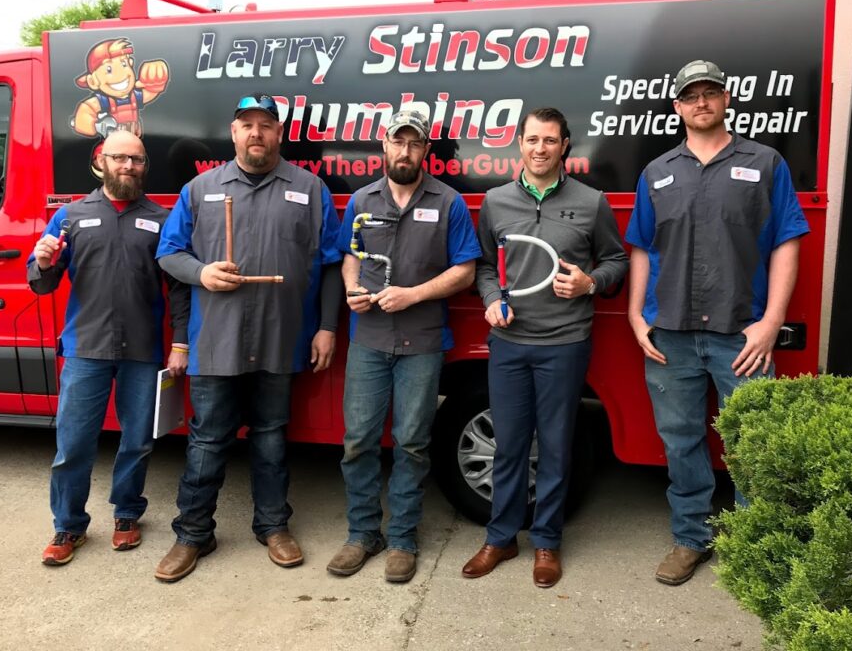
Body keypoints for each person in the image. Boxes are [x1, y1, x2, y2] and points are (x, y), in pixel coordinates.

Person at [625, 60, 809, 586]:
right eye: (691, 96)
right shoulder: (656, 172)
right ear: (678, 107)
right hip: (671, 336)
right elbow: (640, 247)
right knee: (680, 439)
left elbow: (786, 243)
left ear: (726, 100)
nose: (701, 102)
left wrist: (772, 321)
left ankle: (755, 542)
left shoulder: (765, 163)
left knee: (752, 439)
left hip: (741, 332)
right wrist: (638, 317)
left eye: (711, 93)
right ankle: (691, 539)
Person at [153, 92, 342, 583]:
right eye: (247, 125)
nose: (256, 133)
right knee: (208, 441)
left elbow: (330, 265)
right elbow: (168, 253)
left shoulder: (311, 189)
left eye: (266, 124)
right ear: (233, 133)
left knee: (272, 438)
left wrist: (326, 327)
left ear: (280, 133)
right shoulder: (199, 189)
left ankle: (273, 527)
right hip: (217, 342)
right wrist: (202, 273)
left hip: (282, 339)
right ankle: (193, 534)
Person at [463, 107, 628, 588]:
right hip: (509, 342)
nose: (540, 148)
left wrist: (590, 283)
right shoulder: (495, 201)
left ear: (564, 146)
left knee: (556, 447)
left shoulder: (592, 202)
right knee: (509, 447)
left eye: (550, 140)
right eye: (532, 139)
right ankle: (501, 538)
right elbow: (485, 267)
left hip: (565, 342)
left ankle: (548, 544)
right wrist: (491, 299)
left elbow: (617, 260)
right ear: (519, 144)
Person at [326, 109, 481, 584]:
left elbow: (466, 271)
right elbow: (349, 255)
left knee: (413, 443)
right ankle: (362, 534)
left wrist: (413, 294)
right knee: (358, 442)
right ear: (384, 147)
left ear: (426, 152)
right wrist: (353, 288)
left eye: (415, 144)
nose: (406, 151)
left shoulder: (449, 203)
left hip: (423, 342)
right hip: (368, 341)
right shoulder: (361, 201)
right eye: (399, 142)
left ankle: (403, 539)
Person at [27, 129, 189, 566]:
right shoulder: (70, 217)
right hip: (86, 349)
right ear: (101, 161)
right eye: (120, 158)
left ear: (144, 167)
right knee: (74, 443)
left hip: (142, 349)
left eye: (136, 160)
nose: (128, 167)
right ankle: (68, 526)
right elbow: (42, 282)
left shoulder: (161, 218)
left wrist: (179, 343)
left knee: (137, 440)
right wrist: (41, 263)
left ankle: (127, 513)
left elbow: (177, 289)